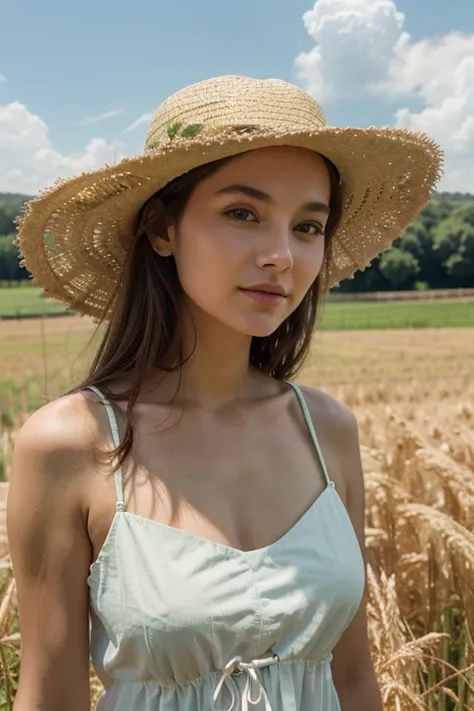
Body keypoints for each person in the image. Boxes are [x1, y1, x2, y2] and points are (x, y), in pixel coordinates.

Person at [7, 75, 442, 711]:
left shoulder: (327, 431)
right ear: (162, 229)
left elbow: (353, 678)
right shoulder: (70, 444)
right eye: (243, 213)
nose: (280, 256)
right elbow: (51, 695)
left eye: (308, 227)